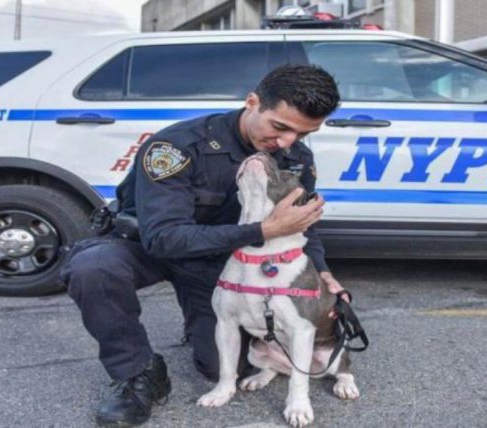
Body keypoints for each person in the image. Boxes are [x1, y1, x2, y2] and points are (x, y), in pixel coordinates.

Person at [61, 64, 346, 427]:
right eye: (280, 127)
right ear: (253, 102)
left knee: (228, 368)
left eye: (304, 133)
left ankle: (199, 321)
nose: (288, 142)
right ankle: (136, 374)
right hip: (151, 247)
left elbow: (300, 224)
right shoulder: (176, 147)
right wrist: (261, 230)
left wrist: (321, 274)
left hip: (221, 262)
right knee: (94, 268)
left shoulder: (295, 157)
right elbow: (164, 238)